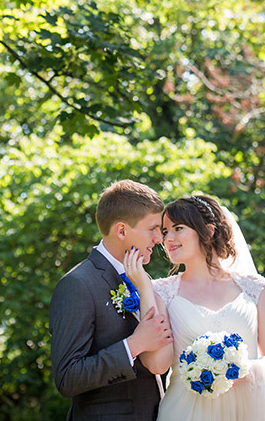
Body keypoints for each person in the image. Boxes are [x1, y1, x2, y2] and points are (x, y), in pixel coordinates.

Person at [124, 194, 265, 420]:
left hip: (247, 412)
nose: (168, 239)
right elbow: (157, 364)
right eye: (165, 232)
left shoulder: (256, 288)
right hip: (186, 412)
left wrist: (230, 368)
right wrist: (144, 289)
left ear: (209, 231)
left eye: (178, 228)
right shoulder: (161, 292)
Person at [49, 180, 174, 420]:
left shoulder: (141, 278)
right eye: (152, 229)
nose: (159, 238)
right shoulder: (78, 284)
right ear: (122, 231)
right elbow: (67, 378)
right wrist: (133, 345)